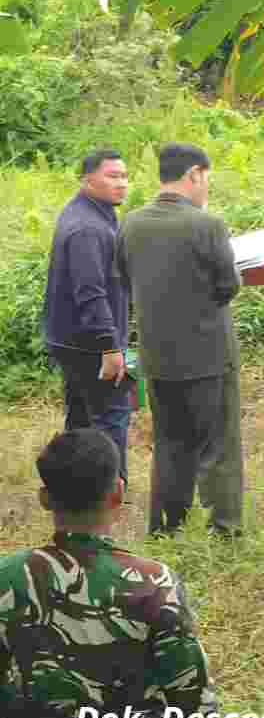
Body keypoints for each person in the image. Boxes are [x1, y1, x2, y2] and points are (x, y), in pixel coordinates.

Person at [0, 429, 233, 718]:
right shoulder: (155, 584)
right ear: (117, 492)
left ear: (45, 499)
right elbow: (192, 702)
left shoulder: (9, 580)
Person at [114, 144, 243, 538]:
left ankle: (166, 527)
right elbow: (229, 285)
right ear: (195, 174)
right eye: (206, 179)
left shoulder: (131, 224)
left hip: (157, 357)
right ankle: (224, 529)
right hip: (208, 356)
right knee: (218, 446)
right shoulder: (208, 225)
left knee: (170, 443)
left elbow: (124, 279)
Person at [43, 149, 133, 486]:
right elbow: (90, 292)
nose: (122, 183)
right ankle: (109, 490)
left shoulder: (94, 213)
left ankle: (74, 486)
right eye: (112, 176)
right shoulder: (88, 228)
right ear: (86, 179)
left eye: (124, 176)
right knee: (112, 417)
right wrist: (109, 346)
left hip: (73, 339)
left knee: (81, 419)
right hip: (89, 343)